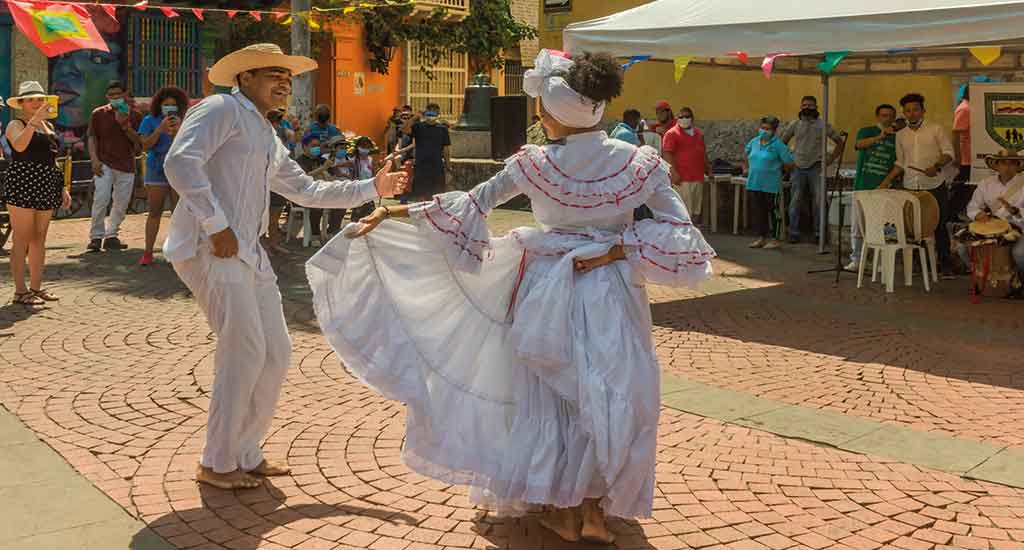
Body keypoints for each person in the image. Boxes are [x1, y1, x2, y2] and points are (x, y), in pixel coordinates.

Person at [307, 49, 715, 544]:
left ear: (553, 113)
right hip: (612, 291)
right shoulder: (637, 162)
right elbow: (681, 231)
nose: (539, 116)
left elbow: (469, 204)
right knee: (604, 391)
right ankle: (590, 511)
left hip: (546, 287)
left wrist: (394, 214)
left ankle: (563, 510)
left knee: (549, 393)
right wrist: (616, 249)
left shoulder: (536, 163)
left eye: (542, 107)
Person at [162, 43, 407, 491]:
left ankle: (246, 452)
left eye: (287, 77)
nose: (283, 83)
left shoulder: (264, 131)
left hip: (248, 253)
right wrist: (215, 224)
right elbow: (180, 162)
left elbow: (307, 189)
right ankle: (216, 462)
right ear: (245, 78)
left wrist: (374, 185)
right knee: (245, 352)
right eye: (273, 74)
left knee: (275, 353)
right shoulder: (220, 109)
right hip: (210, 248)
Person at [2, 81, 72, 306]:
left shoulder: (48, 127)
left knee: (39, 239)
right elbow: (20, 147)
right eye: (31, 99)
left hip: (46, 183)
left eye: (40, 98)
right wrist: (34, 122)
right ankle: (20, 292)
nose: (36, 102)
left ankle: (36, 287)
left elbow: (53, 160)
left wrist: (62, 187)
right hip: (23, 182)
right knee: (21, 238)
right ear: (21, 103)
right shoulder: (16, 123)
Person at [879, 93, 956, 276]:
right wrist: (886, 181)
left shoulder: (936, 129)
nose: (912, 113)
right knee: (913, 227)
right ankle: (918, 264)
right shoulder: (901, 135)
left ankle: (945, 264)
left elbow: (949, 153)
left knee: (939, 225)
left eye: (915, 109)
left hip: (934, 185)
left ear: (923, 110)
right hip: (910, 186)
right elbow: (900, 163)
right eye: (908, 111)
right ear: (904, 113)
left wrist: (936, 165)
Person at [86, 80, 142, 252]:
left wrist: (125, 126)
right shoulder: (98, 114)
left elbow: (140, 143)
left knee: (121, 202)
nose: (115, 98)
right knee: (101, 198)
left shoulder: (135, 116)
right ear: (107, 96)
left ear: (125, 95)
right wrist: (94, 160)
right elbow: (92, 137)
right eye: (111, 95)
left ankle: (112, 235)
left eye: (118, 94)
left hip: (126, 164)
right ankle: (96, 237)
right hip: (104, 163)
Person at [780, 96, 845, 244]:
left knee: (819, 201)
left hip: (817, 167)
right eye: (804, 105)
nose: (807, 108)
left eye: (810, 105)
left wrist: (831, 159)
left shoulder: (823, 125)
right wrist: (787, 160)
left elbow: (839, 142)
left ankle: (819, 233)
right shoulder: (794, 124)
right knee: (795, 200)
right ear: (801, 107)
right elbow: (781, 143)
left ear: (816, 107)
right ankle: (793, 232)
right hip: (797, 167)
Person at [137, 86, 188, 266]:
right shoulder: (149, 121)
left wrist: (178, 130)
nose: (169, 108)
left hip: (178, 169)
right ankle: (148, 252)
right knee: (154, 211)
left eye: (173, 105)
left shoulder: (186, 121)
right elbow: (145, 145)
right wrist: (159, 129)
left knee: (179, 212)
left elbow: (188, 145)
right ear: (159, 105)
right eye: (166, 105)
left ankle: (177, 251)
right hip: (156, 169)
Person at [954, 149, 1024, 275]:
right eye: (1003, 163)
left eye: (1012, 163)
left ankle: (1019, 279)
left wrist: (1016, 211)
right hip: (991, 225)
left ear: (1018, 166)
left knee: (1019, 254)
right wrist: (978, 214)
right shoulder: (985, 184)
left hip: (1018, 226)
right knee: (961, 247)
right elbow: (973, 206)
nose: (1007, 167)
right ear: (997, 165)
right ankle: (980, 273)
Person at [847, 104, 898, 270]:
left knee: (885, 226)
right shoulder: (867, 131)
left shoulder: (898, 137)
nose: (887, 118)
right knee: (858, 225)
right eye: (884, 115)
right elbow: (859, 144)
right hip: (862, 185)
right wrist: (880, 137)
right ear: (878, 117)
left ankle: (883, 261)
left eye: (890, 116)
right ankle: (856, 259)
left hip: (884, 188)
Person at [743, 116, 794, 250]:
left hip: (771, 185)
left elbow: (789, 163)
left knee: (774, 212)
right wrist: (746, 168)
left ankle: (776, 238)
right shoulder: (754, 142)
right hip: (754, 183)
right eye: (762, 128)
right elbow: (747, 154)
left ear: (774, 131)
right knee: (759, 211)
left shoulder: (778, 145)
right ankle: (761, 237)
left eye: (768, 129)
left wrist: (781, 172)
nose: (764, 131)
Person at [662, 107, 711, 225]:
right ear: (677, 119)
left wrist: (708, 169)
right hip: (682, 179)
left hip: (698, 177)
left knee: (696, 212)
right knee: (683, 213)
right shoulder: (672, 134)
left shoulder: (698, 133)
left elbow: (703, 152)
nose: (684, 119)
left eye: (687, 116)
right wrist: (673, 173)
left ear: (692, 118)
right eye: (681, 117)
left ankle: (694, 236)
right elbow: (667, 154)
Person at [296, 133, 343, 245]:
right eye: (313, 146)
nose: (316, 148)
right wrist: (323, 169)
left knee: (342, 202)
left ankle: (332, 231)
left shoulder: (321, 160)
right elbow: (304, 177)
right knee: (316, 204)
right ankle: (315, 235)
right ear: (304, 147)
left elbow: (332, 176)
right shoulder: (300, 161)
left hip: (324, 192)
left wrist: (333, 173)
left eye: (318, 145)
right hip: (304, 195)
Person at [402, 102, 451, 201]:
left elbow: (446, 150)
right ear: (426, 112)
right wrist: (415, 117)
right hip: (421, 166)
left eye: (434, 112)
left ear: (438, 113)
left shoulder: (443, 129)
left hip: (437, 166)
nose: (431, 115)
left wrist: (448, 165)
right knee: (420, 195)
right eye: (430, 111)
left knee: (437, 195)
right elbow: (405, 130)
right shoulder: (418, 126)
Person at [264, 109, 293, 255]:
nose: (277, 124)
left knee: (274, 216)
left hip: (278, 179)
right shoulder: (261, 134)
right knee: (263, 216)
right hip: (265, 181)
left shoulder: (281, 133)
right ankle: (264, 246)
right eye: (276, 121)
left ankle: (273, 244)